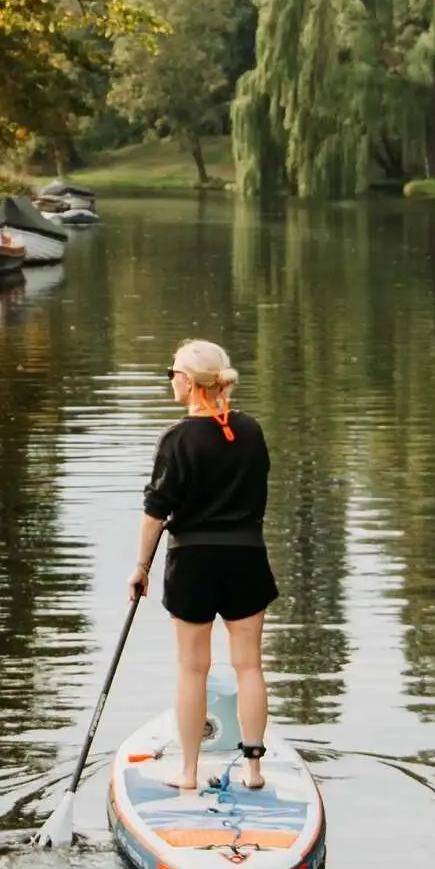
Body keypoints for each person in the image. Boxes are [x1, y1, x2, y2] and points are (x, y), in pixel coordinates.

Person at [129, 339, 277, 793]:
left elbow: (156, 509)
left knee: (193, 670)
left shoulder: (176, 439)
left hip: (193, 560)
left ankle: (189, 772)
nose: (170, 380)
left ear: (190, 383)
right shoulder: (250, 430)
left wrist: (140, 567)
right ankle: (253, 771)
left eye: (172, 373)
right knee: (249, 666)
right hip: (246, 557)